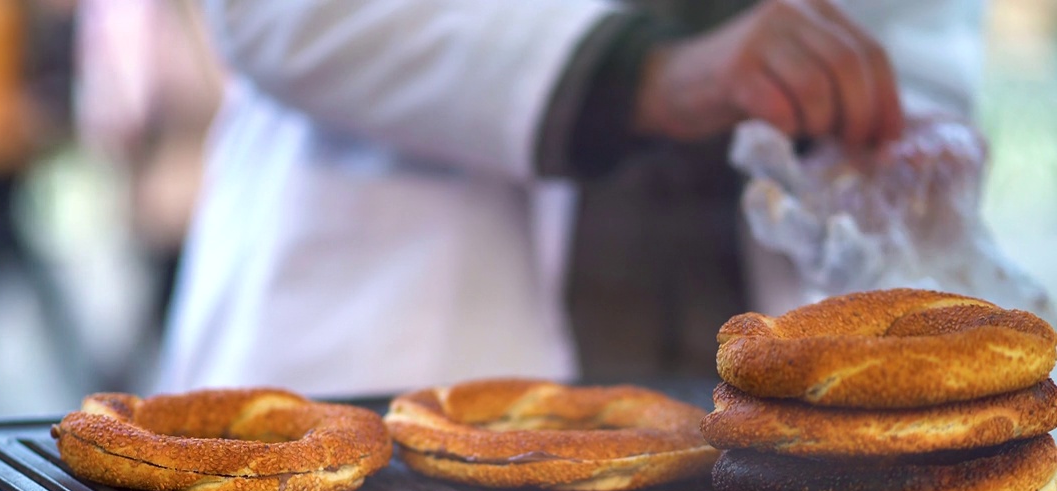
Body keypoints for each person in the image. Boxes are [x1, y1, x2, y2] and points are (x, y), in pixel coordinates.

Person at [158, 0, 982, 399]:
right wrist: (646, 75)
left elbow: (914, 27)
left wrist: (891, 112)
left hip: (742, 362)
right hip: (399, 337)